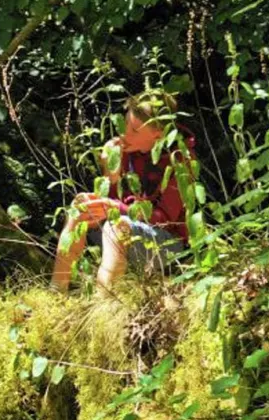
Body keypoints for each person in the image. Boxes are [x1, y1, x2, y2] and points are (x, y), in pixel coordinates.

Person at [52, 91, 197, 292]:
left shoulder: (181, 160)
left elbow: (164, 219)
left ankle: (103, 306)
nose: (124, 134)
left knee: (116, 226)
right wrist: (109, 174)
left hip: (166, 247)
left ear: (159, 134)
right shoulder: (123, 151)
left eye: (134, 129)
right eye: (124, 124)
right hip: (125, 234)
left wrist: (116, 207)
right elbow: (111, 204)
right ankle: (57, 291)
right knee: (80, 208)